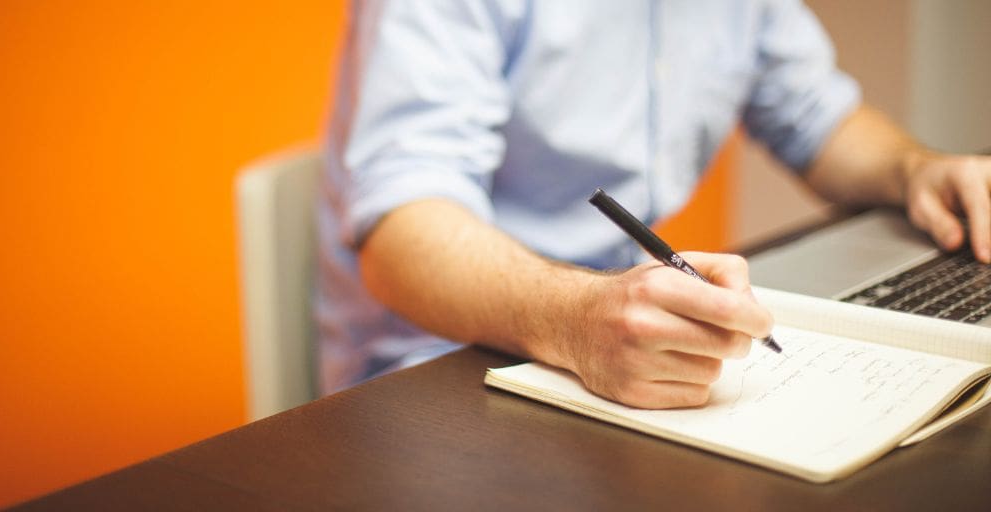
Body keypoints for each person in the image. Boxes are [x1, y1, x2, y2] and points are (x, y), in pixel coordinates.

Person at [316, 0, 991, 406]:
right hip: (438, 366)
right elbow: (401, 228)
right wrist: (577, 319)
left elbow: (814, 116)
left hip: (611, 332)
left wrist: (915, 169)